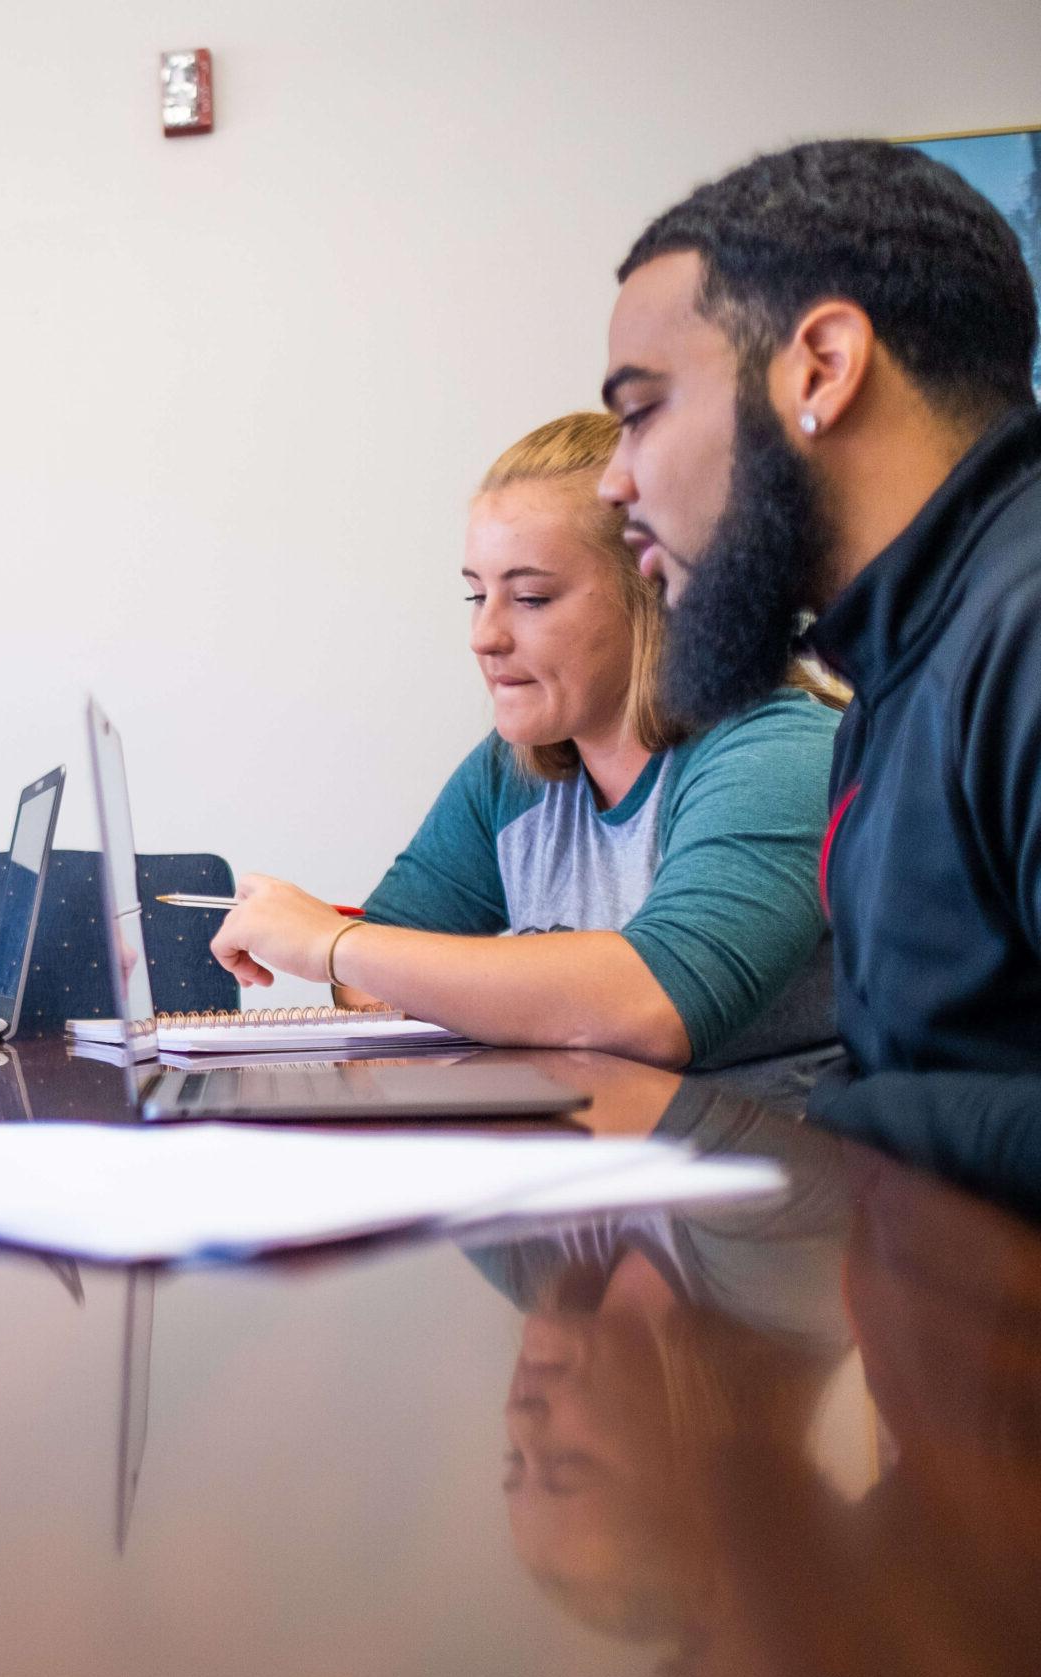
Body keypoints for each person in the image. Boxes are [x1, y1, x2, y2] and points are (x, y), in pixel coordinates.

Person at [210, 412, 841, 1078]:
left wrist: (337, 941)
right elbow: (372, 985)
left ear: (658, 594)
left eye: (531, 597)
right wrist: (351, 952)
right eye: (476, 595)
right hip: (595, 1154)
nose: (485, 635)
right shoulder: (510, 770)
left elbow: (656, 1004)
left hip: (772, 1165)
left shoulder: (780, 753)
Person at [596, 139, 1041, 1078]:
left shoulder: (1024, 634)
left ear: (823, 369)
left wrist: (840, 1133)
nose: (613, 480)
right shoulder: (889, 680)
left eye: (642, 413)